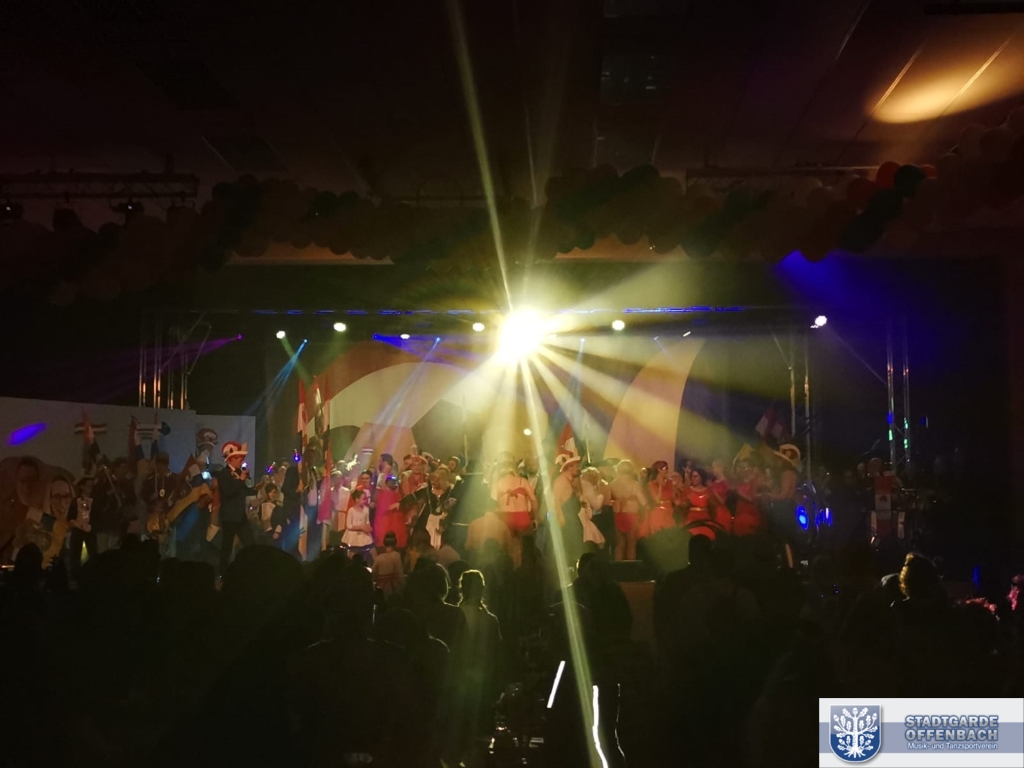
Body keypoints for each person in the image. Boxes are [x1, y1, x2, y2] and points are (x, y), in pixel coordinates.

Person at [215, 441, 256, 577]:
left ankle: (252, 571)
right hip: (229, 516)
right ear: (231, 459)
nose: (241, 461)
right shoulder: (223, 474)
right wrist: (240, 480)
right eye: (239, 459)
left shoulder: (240, 473)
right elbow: (227, 493)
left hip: (240, 516)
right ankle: (222, 573)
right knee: (226, 546)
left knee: (250, 544)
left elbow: (246, 490)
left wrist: (254, 486)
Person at [491, 459, 537, 566]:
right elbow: (534, 500)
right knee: (524, 546)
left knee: (507, 548)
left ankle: (509, 568)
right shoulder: (522, 481)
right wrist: (534, 516)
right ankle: (522, 567)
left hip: (505, 517)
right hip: (522, 516)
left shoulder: (497, 483)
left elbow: (492, 503)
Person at [609, 460, 645, 561]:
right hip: (631, 516)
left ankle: (617, 568)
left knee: (620, 544)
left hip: (618, 515)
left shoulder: (612, 484)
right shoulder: (634, 484)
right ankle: (630, 568)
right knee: (631, 545)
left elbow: (608, 501)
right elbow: (643, 502)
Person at [67, 475, 96, 581]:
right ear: (82, 487)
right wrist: (76, 523)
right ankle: (75, 576)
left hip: (90, 530)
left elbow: (97, 516)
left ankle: (93, 575)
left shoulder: (95, 501)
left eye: (91, 486)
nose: (90, 488)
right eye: (88, 486)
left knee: (93, 553)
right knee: (75, 554)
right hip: (77, 530)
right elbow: (70, 517)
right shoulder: (76, 501)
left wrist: (91, 526)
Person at [342, 489, 376, 562]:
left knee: (372, 550)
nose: (365, 501)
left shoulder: (366, 509)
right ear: (357, 499)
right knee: (352, 553)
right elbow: (349, 525)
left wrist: (368, 527)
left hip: (364, 534)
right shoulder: (351, 510)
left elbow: (367, 521)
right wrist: (360, 527)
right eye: (363, 499)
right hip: (353, 536)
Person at [373, 474, 406, 549]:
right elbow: (382, 509)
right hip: (385, 525)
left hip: (395, 524)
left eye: (394, 481)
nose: (393, 483)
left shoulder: (398, 495)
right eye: (390, 481)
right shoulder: (383, 494)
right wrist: (394, 505)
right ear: (386, 483)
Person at [646, 460, 677, 536]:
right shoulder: (652, 484)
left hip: (669, 511)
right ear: (658, 470)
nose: (666, 470)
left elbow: (674, 498)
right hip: (659, 511)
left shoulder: (670, 482)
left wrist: (675, 488)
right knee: (659, 534)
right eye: (664, 468)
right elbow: (657, 500)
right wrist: (660, 486)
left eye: (667, 468)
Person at [578, 467, 606, 550]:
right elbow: (596, 506)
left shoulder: (578, 483)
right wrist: (601, 495)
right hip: (584, 516)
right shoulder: (587, 486)